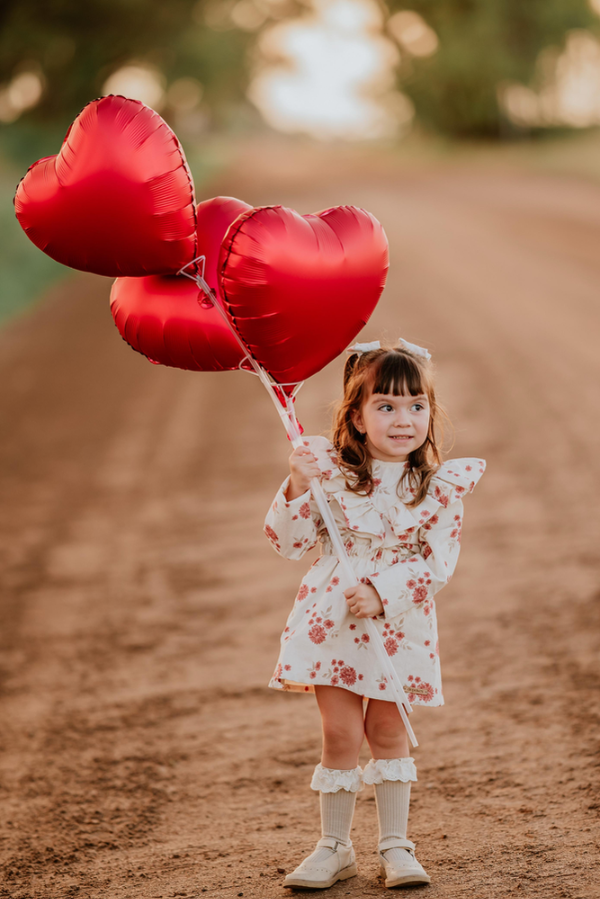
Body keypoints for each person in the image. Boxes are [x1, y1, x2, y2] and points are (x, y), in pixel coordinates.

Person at [264, 339, 485, 890]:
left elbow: (439, 562)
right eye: (385, 406)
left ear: (430, 414)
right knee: (339, 733)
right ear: (357, 418)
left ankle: (396, 845)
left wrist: (384, 592)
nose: (402, 418)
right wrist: (296, 481)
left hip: (397, 626)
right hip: (333, 624)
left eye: (416, 406)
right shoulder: (332, 479)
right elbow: (288, 543)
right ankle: (334, 846)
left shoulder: (436, 489)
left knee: (388, 729)